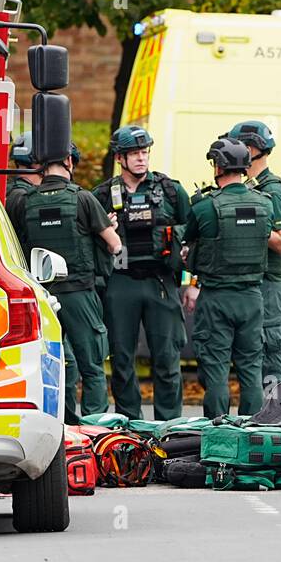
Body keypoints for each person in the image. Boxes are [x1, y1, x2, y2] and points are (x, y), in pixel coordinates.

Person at [8, 146, 122, 419]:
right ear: (69, 161)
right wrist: (107, 230)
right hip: (80, 294)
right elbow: (115, 246)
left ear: (39, 166)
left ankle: (63, 424)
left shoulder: (26, 201)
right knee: (92, 366)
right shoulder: (82, 198)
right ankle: (95, 428)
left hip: (44, 295)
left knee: (59, 364)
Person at [93, 125, 192, 420]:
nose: (141, 158)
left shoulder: (171, 191)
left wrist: (191, 277)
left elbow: (193, 235)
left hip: (160, 281)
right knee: (121, 358)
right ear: (120, 158)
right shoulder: (102, 195)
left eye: (144, 152)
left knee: (167, 358)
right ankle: (130, 425)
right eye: (134, 153)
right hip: (121, 282)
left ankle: (170, 426)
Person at [183, 137, 273, 417]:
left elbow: (187, 246)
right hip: (251, 298)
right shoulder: (265, 204)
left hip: (216, 298)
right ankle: (252, 430)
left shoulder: (205, 207)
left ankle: (218, 433)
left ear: (218, 167)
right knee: (251, 369)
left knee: (217, 370)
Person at [226, 120, 281, 383]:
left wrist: (250, 227)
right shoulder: (252, 187)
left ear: (253, 148)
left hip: (269, 287)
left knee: (271, 354)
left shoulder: (273, 190)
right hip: (254, 284)